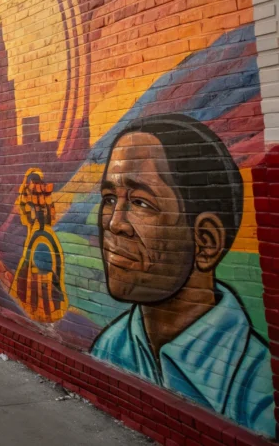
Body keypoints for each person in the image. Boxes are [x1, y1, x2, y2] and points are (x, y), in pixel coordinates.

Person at [91, 114, 274, 435]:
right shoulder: (110, 347)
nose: (114, 223)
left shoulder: (258, 392)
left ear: (205, 242)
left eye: (140, 202)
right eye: (109, 199)